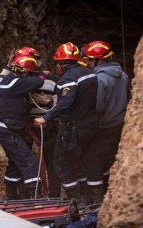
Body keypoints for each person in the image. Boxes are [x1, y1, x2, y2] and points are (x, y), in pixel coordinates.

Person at [34, 42, 103, 206]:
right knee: (87, 160)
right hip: (92, 125)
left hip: (74, 128)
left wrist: (46, 117)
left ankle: (76, 200)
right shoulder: (89, 72)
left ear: (60, 64)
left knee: (62, 162)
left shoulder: (68, 78)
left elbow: (67, 102)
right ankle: (95, 200)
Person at [0, 55, 55, 200]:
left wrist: (7, 67)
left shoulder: (6, 80)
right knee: (30, 162)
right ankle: (37, 198)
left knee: (15, 162)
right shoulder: (16, 83)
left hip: (9, 129)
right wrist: (41, 73)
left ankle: (10, 195)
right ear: (26, 72)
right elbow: (38, 82)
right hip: (9, 131)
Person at [84, 41, 131, 194]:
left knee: (93, 159)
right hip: (119, 124)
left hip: (103, 125)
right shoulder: (123, 75)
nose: (89, 63)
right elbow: (129, 99)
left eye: (91, 60)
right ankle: (108, 191)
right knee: (110, 158)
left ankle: (96, 199)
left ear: (100, 60)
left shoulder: (99, 79)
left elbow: (98, 107)